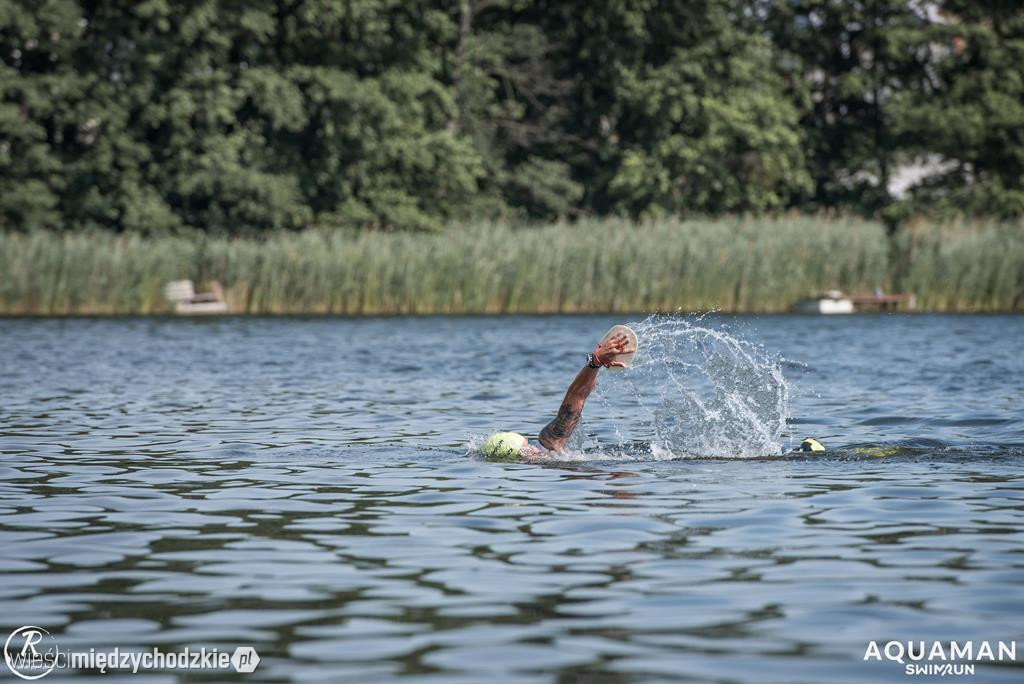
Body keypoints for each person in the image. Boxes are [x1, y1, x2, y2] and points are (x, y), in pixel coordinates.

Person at [481, 332, 634, 460]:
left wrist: (596, 364)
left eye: (527, 446)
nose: (530, 450)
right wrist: (595, 362)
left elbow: (577, 395)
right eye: (526, 447)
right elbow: (577, 396)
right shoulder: (548, 452)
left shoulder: (545, 452)